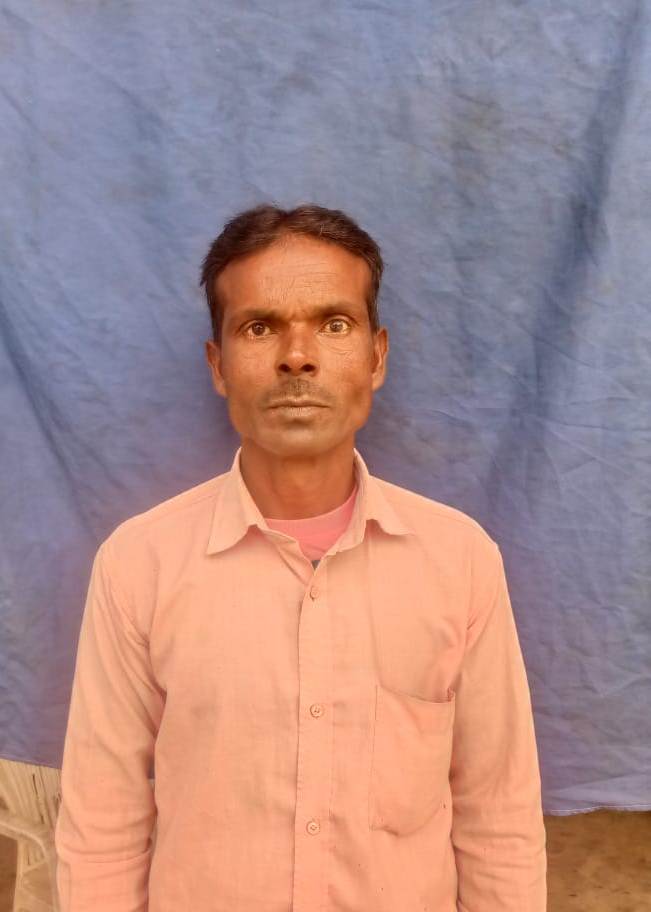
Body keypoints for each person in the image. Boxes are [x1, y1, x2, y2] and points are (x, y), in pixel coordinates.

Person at [54, 202, 547, 911]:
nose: (297, 356)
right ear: (218, 365)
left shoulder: (459, 560)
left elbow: (498, 815)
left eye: (333, 324)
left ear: (377, 357)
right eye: (259, 327)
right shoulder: (140, 564)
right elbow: (103, 824)